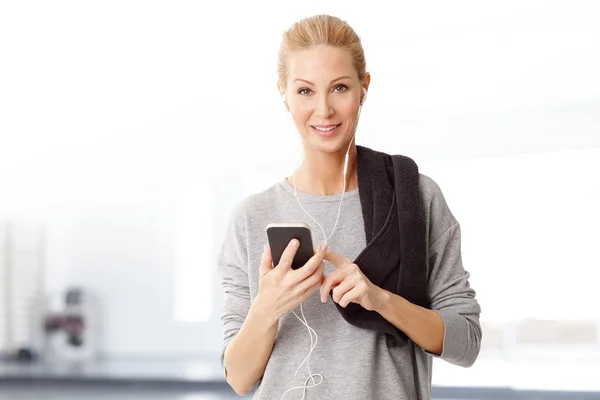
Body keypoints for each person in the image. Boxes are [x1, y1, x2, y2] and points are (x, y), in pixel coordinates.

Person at [218, 14, 482, 400]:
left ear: (363, 88)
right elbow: (239, 379)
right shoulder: (252, 217)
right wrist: (267, 309)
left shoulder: (414, 198)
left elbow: (466, 342)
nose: (323, 110)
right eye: (305, 91)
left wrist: (381, 299)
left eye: (339, 87)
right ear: (284, 94)